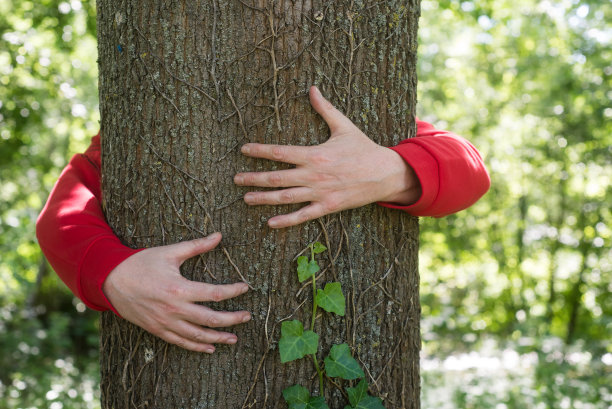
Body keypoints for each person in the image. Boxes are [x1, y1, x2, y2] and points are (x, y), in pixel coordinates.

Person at [36, 86, 490, 353]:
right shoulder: (140, 122)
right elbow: (65, 208)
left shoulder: (358, 110)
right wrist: (112, 274)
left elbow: (469, 169)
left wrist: (391, 172)